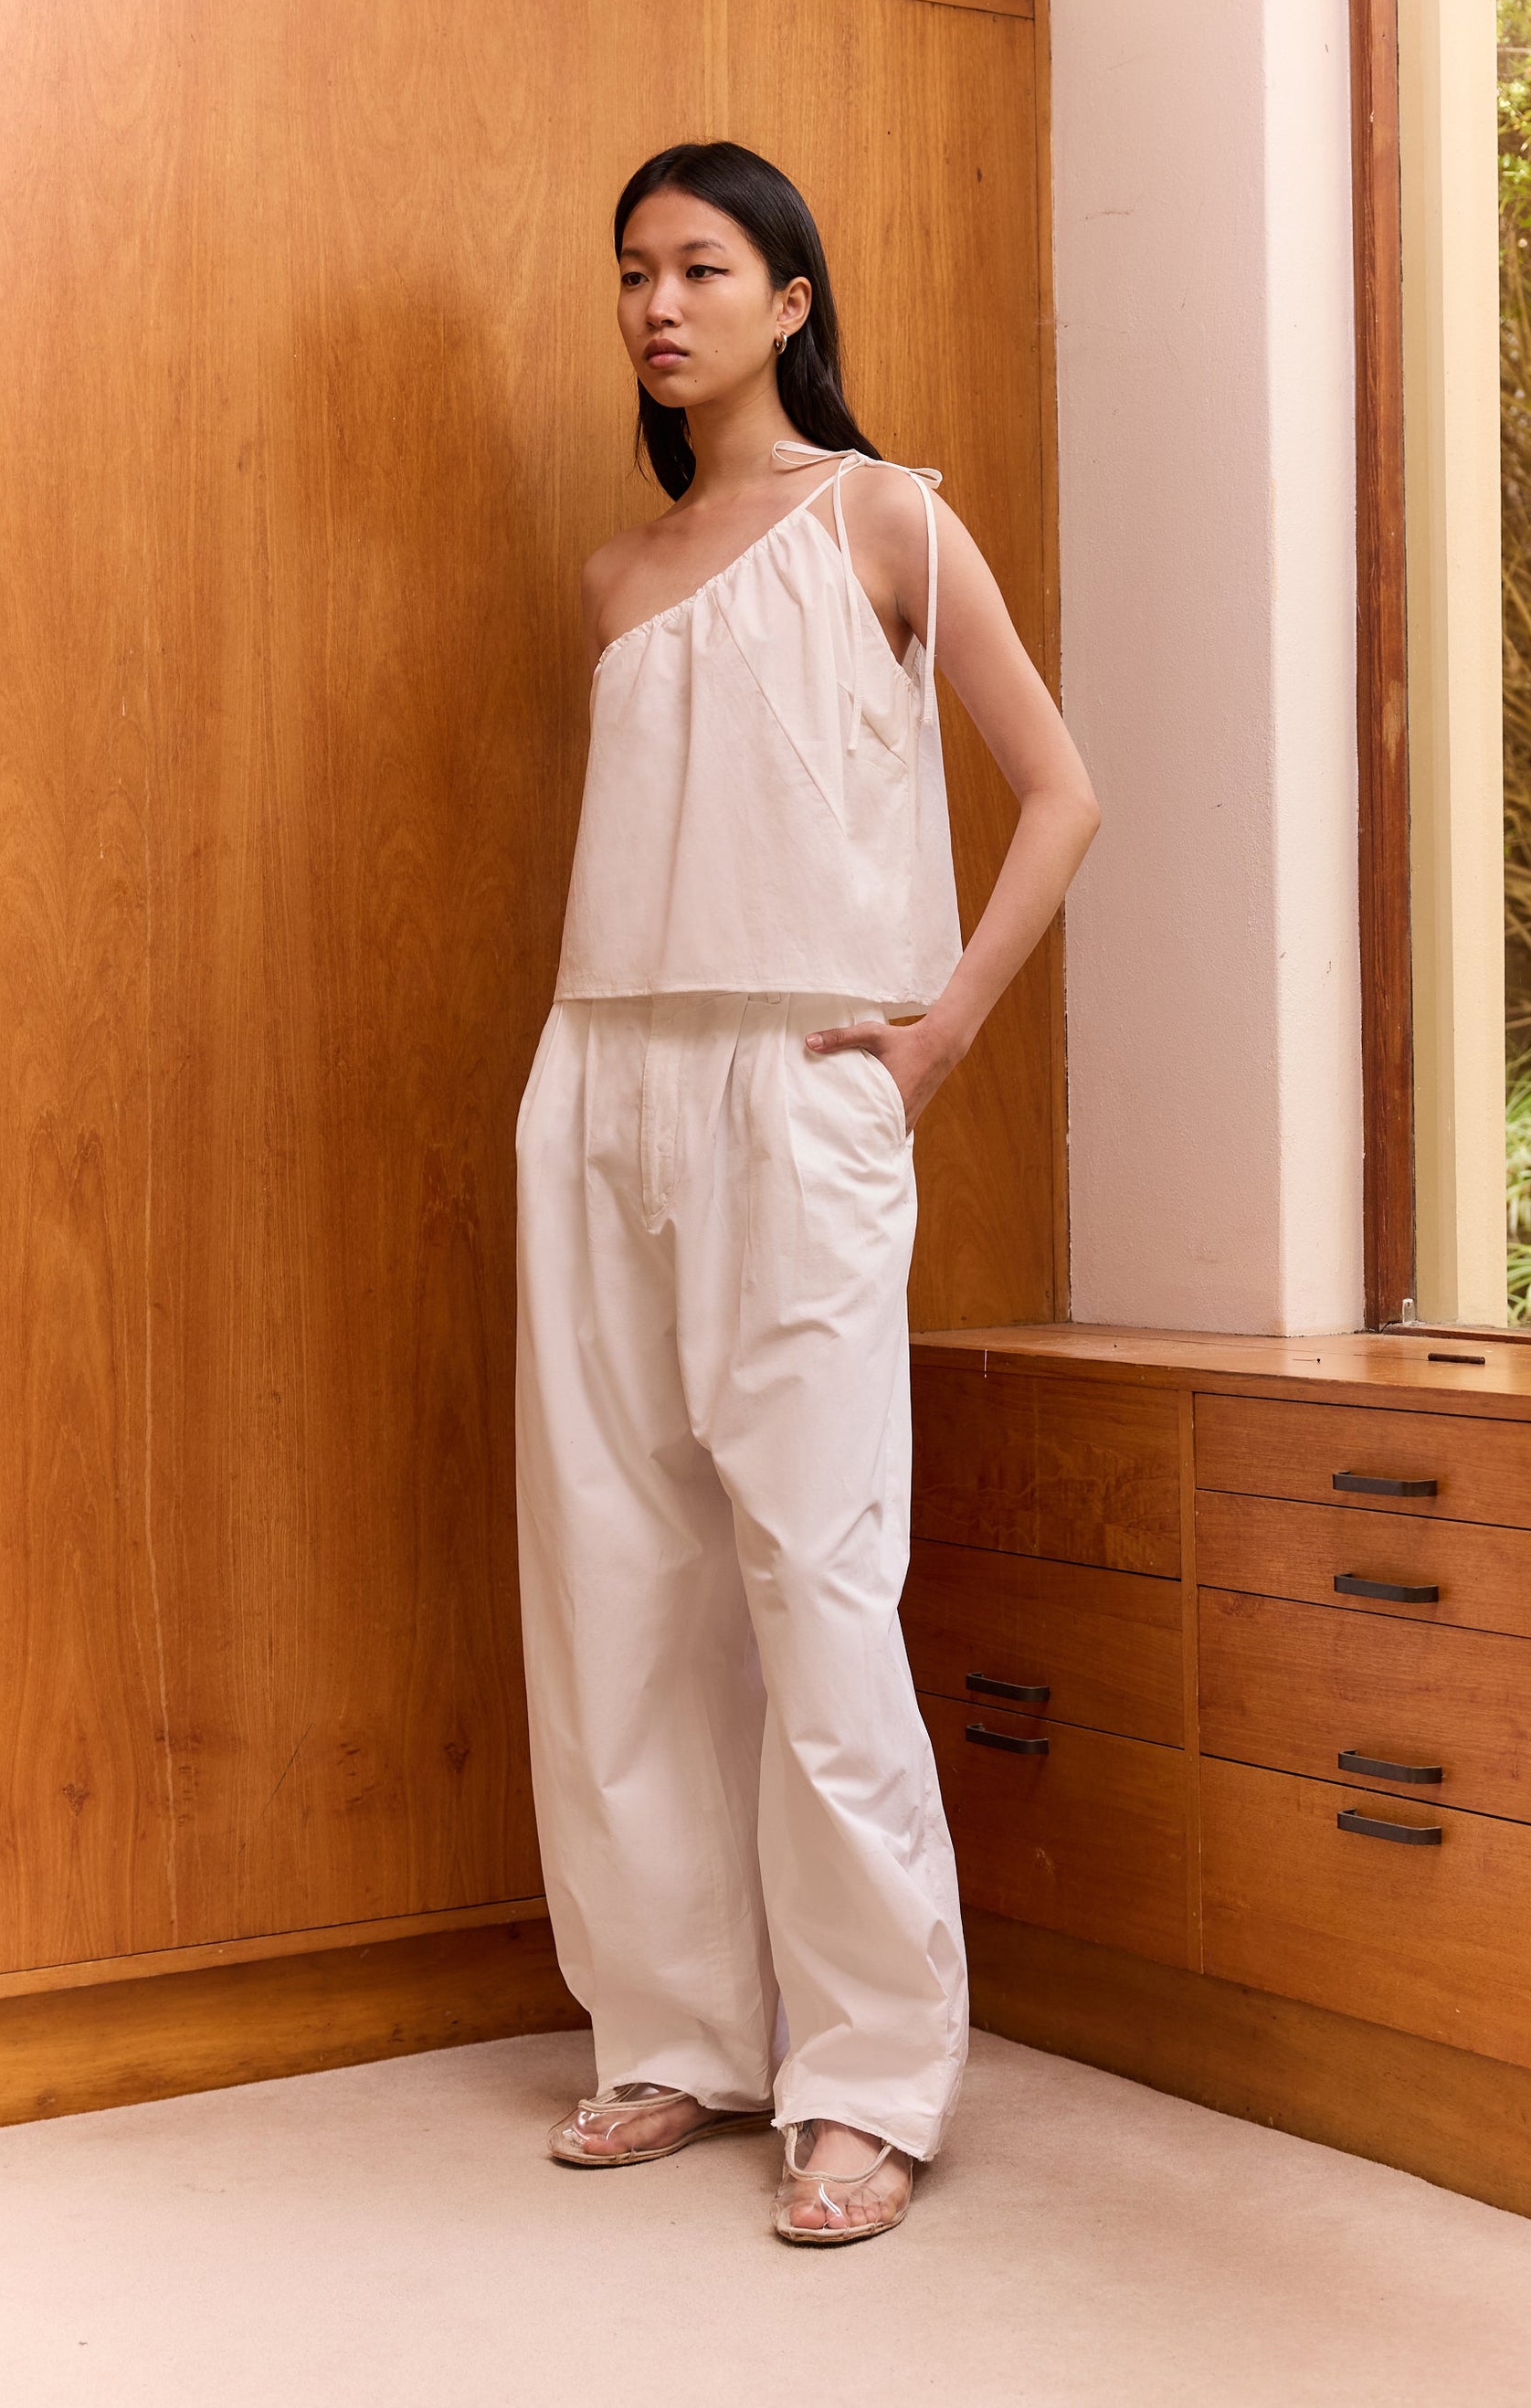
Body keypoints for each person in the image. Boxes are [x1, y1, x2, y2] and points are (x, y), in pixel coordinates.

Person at [513, 140, 1099, 2245]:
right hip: (601, 1072)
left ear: (787, 298)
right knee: (615, 1566)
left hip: (803, 1079)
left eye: (699, 266)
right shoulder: (617, 574)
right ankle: (676, 2027)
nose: (657, 304)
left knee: (816, 1571)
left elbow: (1060, 791)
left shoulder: (884, 517)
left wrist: (934, 1033)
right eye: (631, 270)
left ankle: (866, 2070)